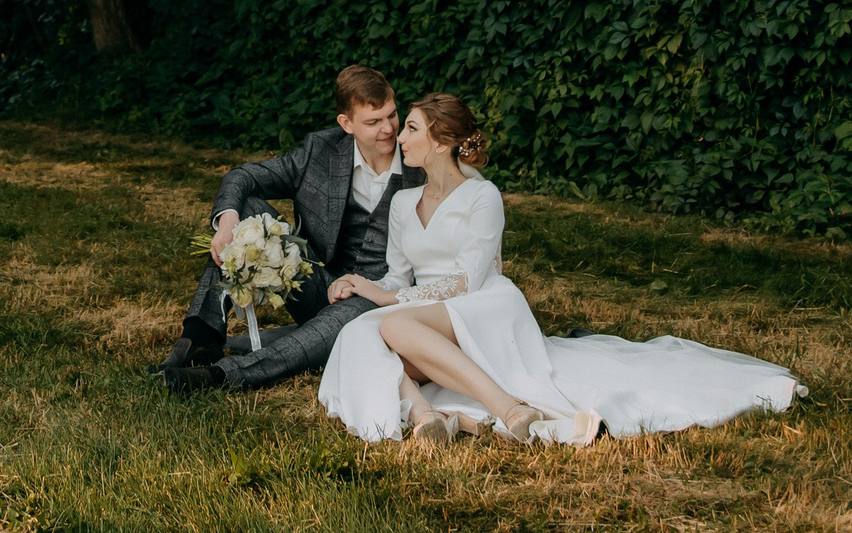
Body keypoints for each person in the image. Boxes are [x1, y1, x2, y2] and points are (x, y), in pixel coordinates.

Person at [316, 94, 803, 445]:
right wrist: (368, 285)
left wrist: (389, 301)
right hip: (426, 312)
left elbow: (467, 278)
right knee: (361, 336)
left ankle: (510, 408)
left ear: (442, 143)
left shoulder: (482, 196)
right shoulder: (403, 203)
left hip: (481, 304)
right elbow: (401, 280)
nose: (398, 137)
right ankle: (428, 418)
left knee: (391, 325)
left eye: (411, 129)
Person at [165, 66, 422, 397]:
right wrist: (227, 222)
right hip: (316, 282)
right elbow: (244, 176)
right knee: (247, 206)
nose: (389, 129)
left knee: (328, 331)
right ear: (346, 125)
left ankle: (221, 375)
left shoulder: (419, 159)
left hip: (378, 297)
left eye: (392, 115)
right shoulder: (321, 150)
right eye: (373, 122)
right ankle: (200, 337)